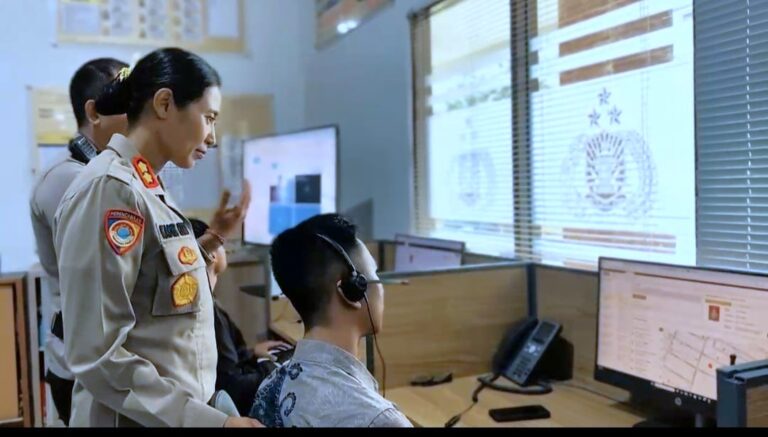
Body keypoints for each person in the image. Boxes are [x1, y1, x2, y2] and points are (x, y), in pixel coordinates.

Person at [53, 47, 261, 427]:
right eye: (209, 118)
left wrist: (212, 240)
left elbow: (154, 289)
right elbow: (98, 353)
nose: (213, 137)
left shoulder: (145, 186)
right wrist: (211, 422)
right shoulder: (110, 190)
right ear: (165, 103)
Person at [29, 57, 129, 425]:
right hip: (82, 369)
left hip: (100, 360)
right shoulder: (70, 179)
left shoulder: (102, 173)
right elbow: (115, 268)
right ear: (94, 112)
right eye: (129, 104)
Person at [249, 214, 412, 427]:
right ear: (351, 290)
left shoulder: (271, 385)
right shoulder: (380, 420)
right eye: (375, 274)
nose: (381, 286)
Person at [188, 218, 292, 415]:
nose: (225, 248)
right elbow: (233, 386)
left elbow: (222, 363)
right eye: (220, 243)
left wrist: (251, 354)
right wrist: (274, 367)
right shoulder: (206, 313)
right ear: (210, 253)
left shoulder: (204, 299)